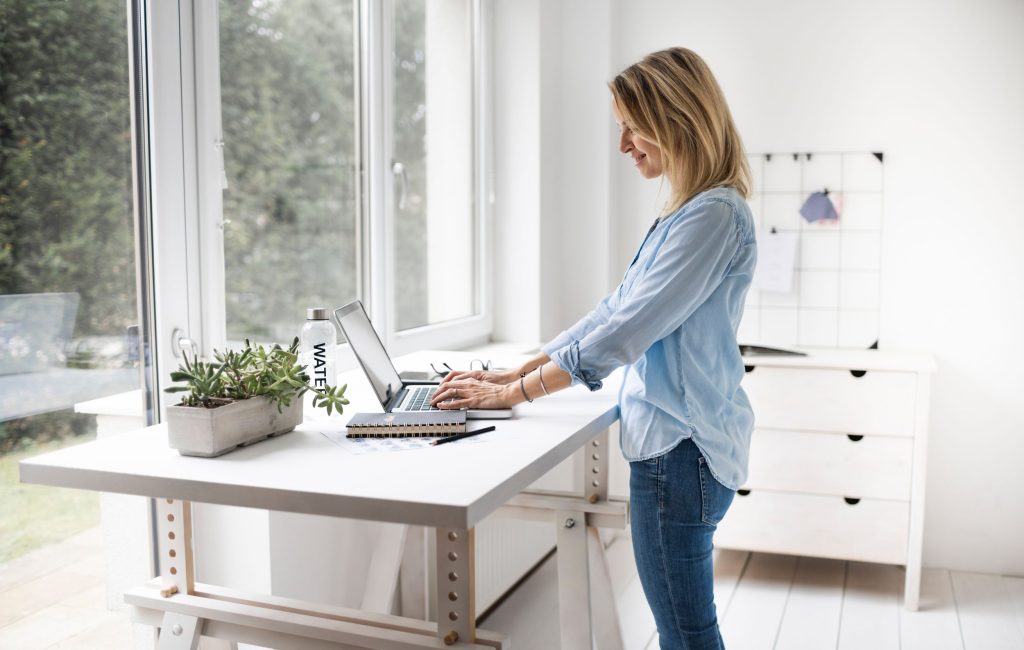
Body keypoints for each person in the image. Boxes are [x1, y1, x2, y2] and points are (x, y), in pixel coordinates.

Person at [431, 47, 756, 650]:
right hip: (679, 448)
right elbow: (612, 310)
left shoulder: (712, 216)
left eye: (633, 127)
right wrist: (519, 369)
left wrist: (514, 393)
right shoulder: (684, 213)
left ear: (676, 118)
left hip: (680, 450)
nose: (624, 144)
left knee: (685, 635)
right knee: (682, 630)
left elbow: (628, 331)